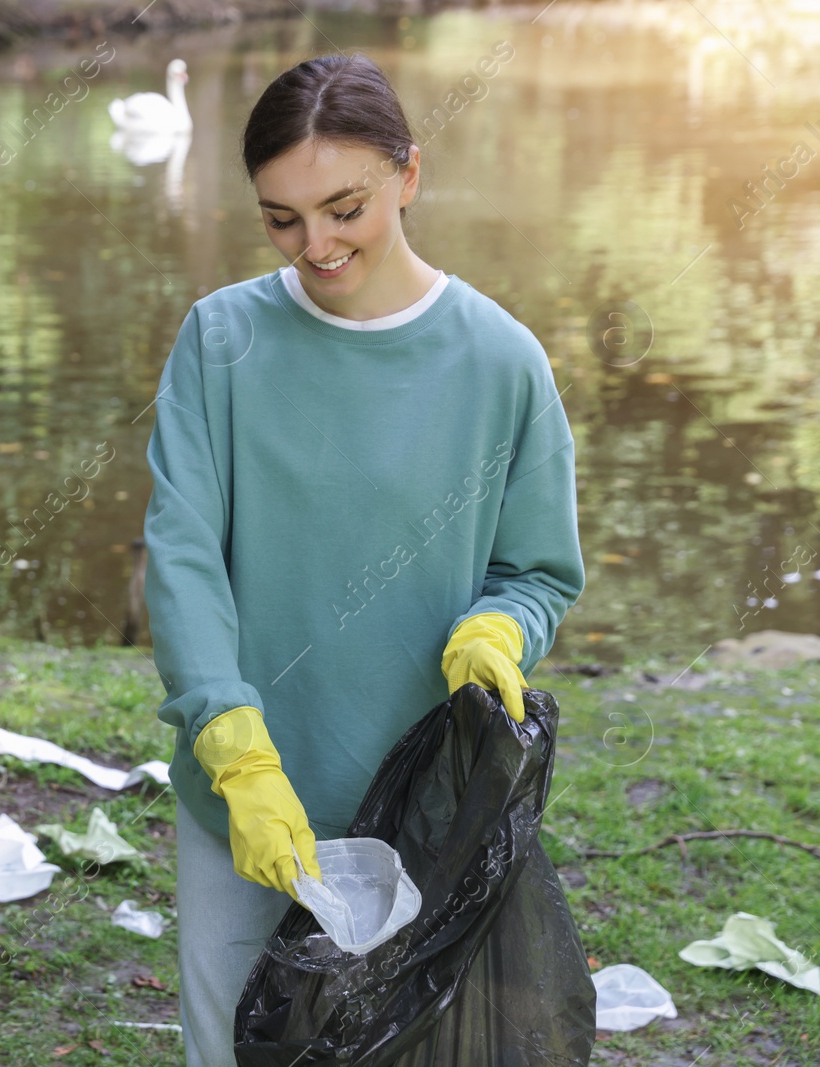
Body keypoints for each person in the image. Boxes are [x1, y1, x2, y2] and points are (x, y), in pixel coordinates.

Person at [141, 52, 584, 1067]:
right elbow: (182, 555)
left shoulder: (500, 360)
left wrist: (498, 626)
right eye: (281, 218)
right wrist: (229, 742)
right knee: (232, 1046)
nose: (317, 244)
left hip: (426, 805)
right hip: (244, 796)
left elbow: (538, 571)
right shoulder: (221, 341)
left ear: (409, 174)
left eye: (345, 207)